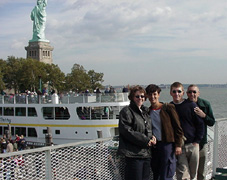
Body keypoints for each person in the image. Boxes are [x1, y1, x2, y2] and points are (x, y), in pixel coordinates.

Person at [145, 84, 184, 180]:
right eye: (150, 94)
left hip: (167, 144)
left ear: (158, 95)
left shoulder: (168, 108)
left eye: (155, 94)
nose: (152, 97)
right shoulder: (148, 111)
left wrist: (178, 145)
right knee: (156, 172)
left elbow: (177, 127)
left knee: (166, 173)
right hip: (155, 146)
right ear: (147, 96)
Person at [118, 85, 156, 180]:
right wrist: (145, 140)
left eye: (142, 96)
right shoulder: (127, 111)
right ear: (132, 97)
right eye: (137, 96)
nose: (140, 98)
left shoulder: (145, 111)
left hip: (146, 154)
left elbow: (147, 129)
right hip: (133, 155)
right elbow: (127, 131)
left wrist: (152, 138)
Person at [170, 82, 204, 180]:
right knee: (183, 174)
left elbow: (200, 124)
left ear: (183, 93)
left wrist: (197, 141)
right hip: (179, 146)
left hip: (193, 145)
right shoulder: (170, 107)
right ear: (171, 93)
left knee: (193, 174)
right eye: (174, 91)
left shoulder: (191, 105)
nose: (177, 94)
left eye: (179, 91)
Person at [186, 84, 215, 180]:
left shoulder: (205, 104)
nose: (192, 94)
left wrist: (204, 115)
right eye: (189, 92)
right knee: (188, 171)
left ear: (198, 93)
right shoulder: (184, 105)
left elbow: (211, 122)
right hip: (187, 144)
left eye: (194, 92)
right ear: (186, 93)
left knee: (201, 171)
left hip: (201, 143)